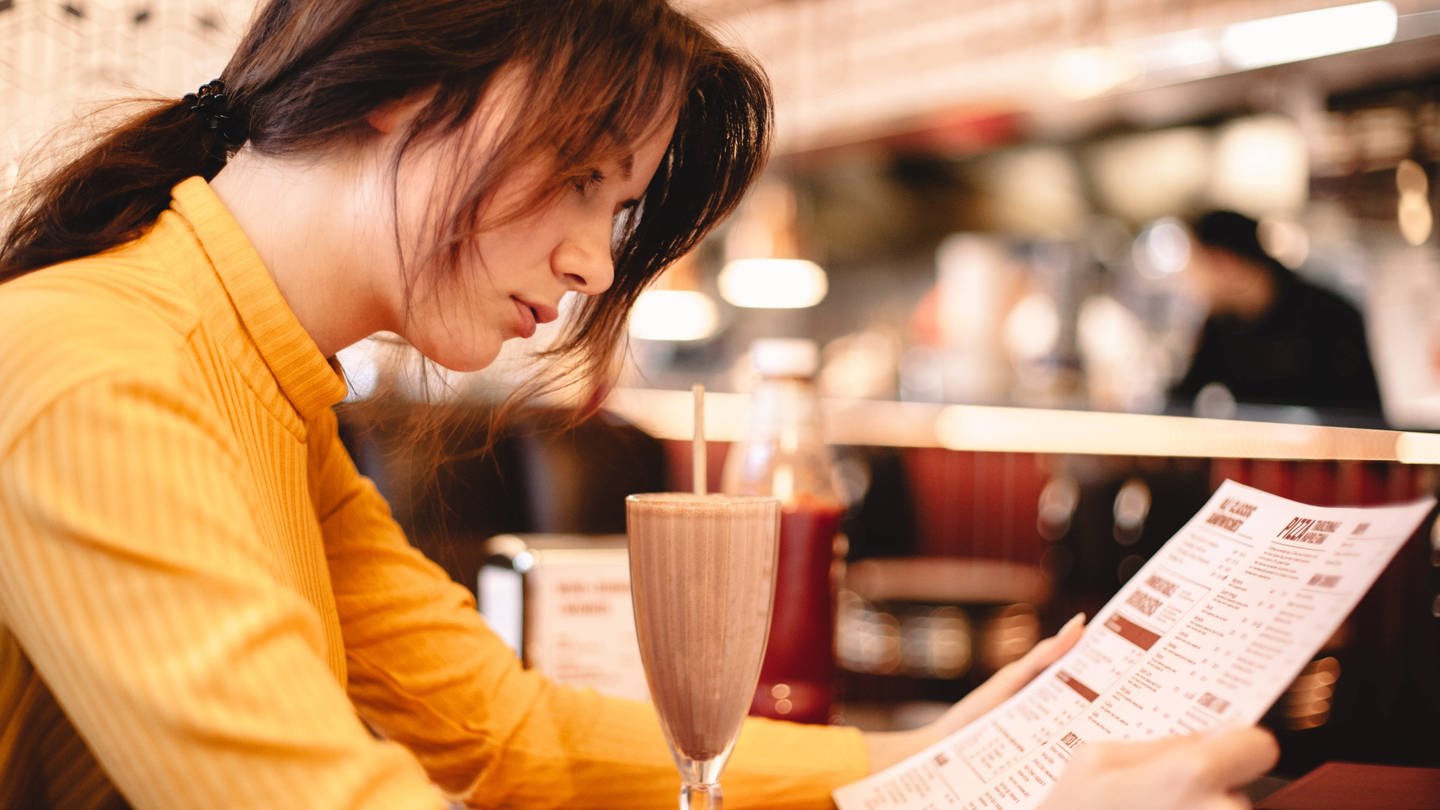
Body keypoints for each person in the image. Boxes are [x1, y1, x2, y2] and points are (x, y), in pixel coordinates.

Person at [0, 2, 1276, 807]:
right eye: (582, 176)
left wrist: (950, 768)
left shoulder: (260, 380)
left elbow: (501, 737)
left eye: (618, 213)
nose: (598, 264)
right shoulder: (102, 367)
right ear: (394, 80)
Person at [1170, 209, 1384, 421]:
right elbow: (1181, 402)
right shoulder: (1222, 324)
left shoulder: (1330, 315)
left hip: (1328, 451)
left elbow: (1363, 415)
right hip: (1258, 451)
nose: (1189, 280)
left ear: (1225, 262)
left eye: (1194, 264)